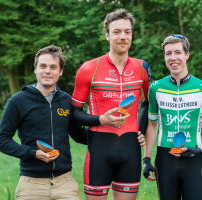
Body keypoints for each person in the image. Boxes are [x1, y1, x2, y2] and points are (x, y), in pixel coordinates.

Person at [0, 45, 145, 200]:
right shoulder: (17, 101)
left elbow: (79, 134)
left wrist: (120, 135)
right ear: (35, 70)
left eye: (53, 67)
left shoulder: (66, 100)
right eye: (43, 66)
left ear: (60, 72)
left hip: (65, 183)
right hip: (32, 183)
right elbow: (1, 140)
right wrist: (32, 154)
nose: (48, 71)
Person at [71, 9, 151, 200]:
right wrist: (101, 119)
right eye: (116, 32)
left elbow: (147, 105)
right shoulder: (89, 68)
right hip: (99, 151)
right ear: (107, 35)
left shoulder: (142, 68)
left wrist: (139, 130)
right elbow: (73, 113)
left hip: (131, 151)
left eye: (127, 31)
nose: (123, 37)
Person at [143, 34, 202, 200]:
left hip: (193, 157)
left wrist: (199, 148)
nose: (173, 58)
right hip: (164, 160)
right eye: (168, 53)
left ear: (187, 55)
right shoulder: (155, 88)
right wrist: (146, 158)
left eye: (178, 52)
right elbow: (152, 125)